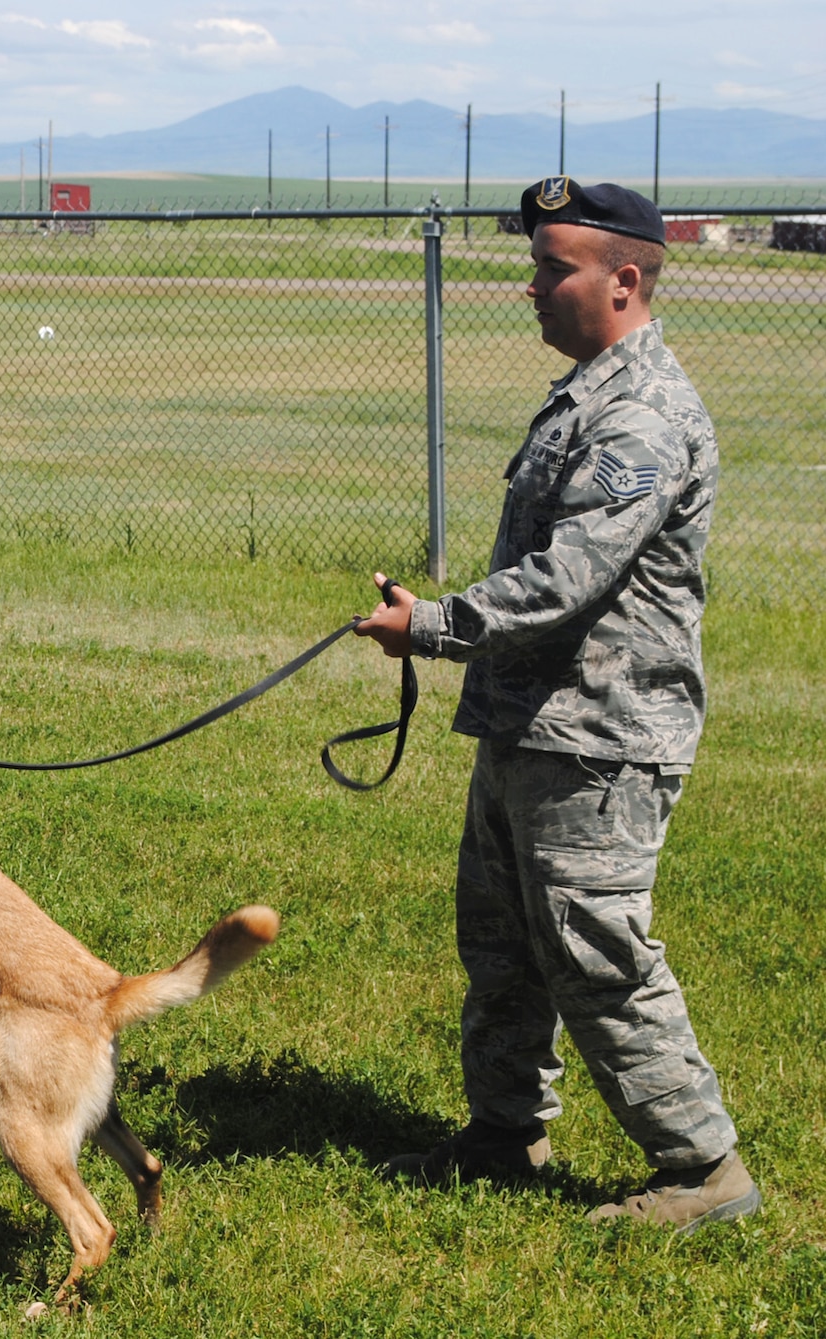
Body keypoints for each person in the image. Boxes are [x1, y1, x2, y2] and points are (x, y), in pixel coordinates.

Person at [354, 179, 758, 1233]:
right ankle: (502, 1134)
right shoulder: (586, 391)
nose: (529, 286)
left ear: (622, 280)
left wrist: (432, 626)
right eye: (532, 263)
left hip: (599, 740)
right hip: (530, 726)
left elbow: (568, 575)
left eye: (551, 268)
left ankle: (699, 1165)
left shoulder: (642, 415)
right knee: (499, 945)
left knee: (595, 953)